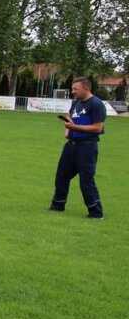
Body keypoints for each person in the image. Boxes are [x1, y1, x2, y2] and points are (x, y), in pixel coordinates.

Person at [50, 77, 106, 219]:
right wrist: (68, 131)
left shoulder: (96, 104)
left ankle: (95, 212)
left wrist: (74, 127)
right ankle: (58, 205)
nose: (73, 91)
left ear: (86, 88)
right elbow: (70, 118)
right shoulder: (76, 102)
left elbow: (98, 127)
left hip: (87, 147)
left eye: (76, 89)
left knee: (86, 180)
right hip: (71, 146)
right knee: (61, 176)